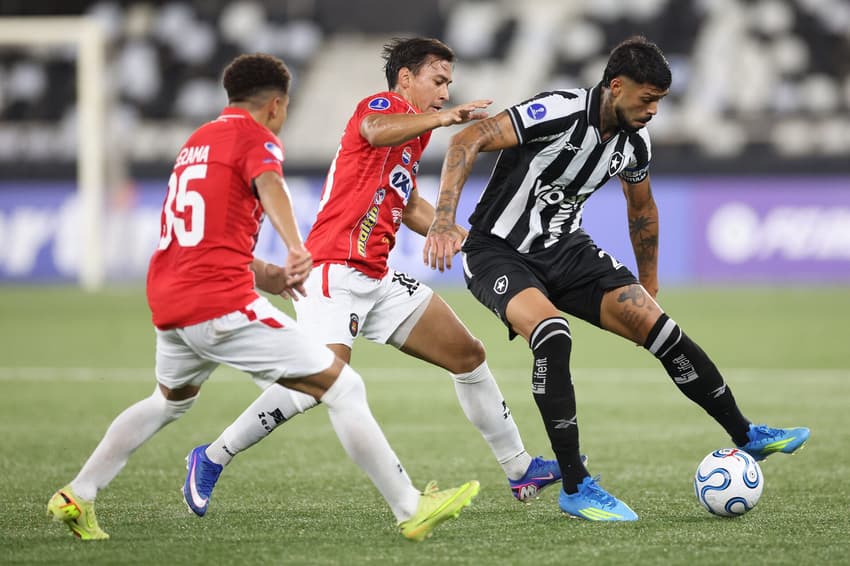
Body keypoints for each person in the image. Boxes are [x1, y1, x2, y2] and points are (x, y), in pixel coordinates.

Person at [46, 53, 479, 543]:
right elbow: (271, 185)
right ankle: (410, 508)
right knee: (343, 387)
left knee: (167, 402)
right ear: (275, 105)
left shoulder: (196, 142)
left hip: (169, 295)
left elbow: (196, 232)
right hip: (218, 301)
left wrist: (268, 272)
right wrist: (296, 248)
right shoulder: (256, 139)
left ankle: (79, 493)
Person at [422, 36, 810, 522]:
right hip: (498, 252)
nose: (652, 111)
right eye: (646, 99)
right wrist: (442, 219)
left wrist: (648, 284)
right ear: (617, 86)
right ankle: (575, 485)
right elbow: (466, 139)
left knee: (662, 330)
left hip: (568, 250)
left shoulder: (633, 143)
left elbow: (641, 209)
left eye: (660, 103)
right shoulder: (558, 111)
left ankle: (745, 435)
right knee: (552, 335)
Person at [182, 37, 563, 516]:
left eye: (449, 85)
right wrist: (442, 119)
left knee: (468, 354)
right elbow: (374, 127)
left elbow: (407, 205)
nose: (445, 92)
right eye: (438, 80)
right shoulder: (384, 107)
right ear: (406, 78)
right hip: (332, 270)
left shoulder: (414, 135)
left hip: (376, 277)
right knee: (316, 387)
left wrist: (467, 239)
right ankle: (212, 457)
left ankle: (520, 470)